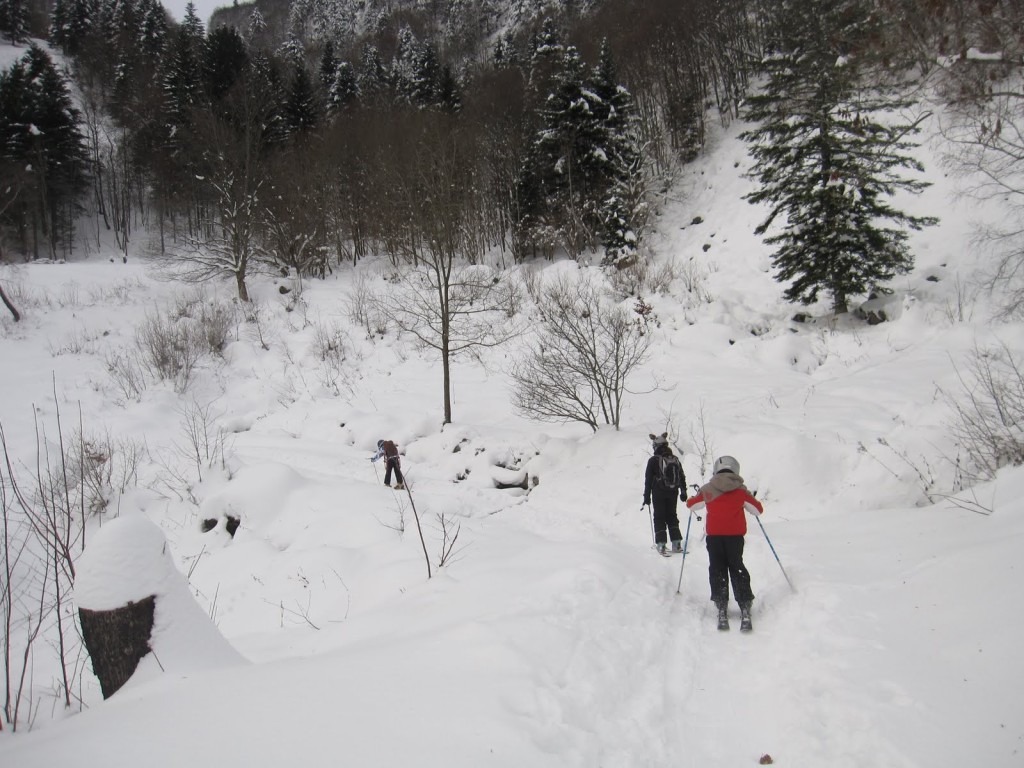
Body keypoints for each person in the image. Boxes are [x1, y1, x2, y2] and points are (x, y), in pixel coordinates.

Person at [686, 455, 764, 631]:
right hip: (735, 537)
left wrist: (692, 499)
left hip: (714, 537)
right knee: (737, 566)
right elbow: (757, 510)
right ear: (735, 470)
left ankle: (721, 604)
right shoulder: (741, 491)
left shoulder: (707, 489)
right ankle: (744, 603)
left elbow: (692, 505)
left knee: (717, 567)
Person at [642, 433, 687, 555]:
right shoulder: (675, 459)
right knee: (672, 515)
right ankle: (676, 543)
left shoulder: (653, 460)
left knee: (659, 517)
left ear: (656, 446)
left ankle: (661, 545)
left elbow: (648, 480)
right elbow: (682, 476)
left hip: (658, 493)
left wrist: (646, 497)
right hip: (673, 492)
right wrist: (683, 492)